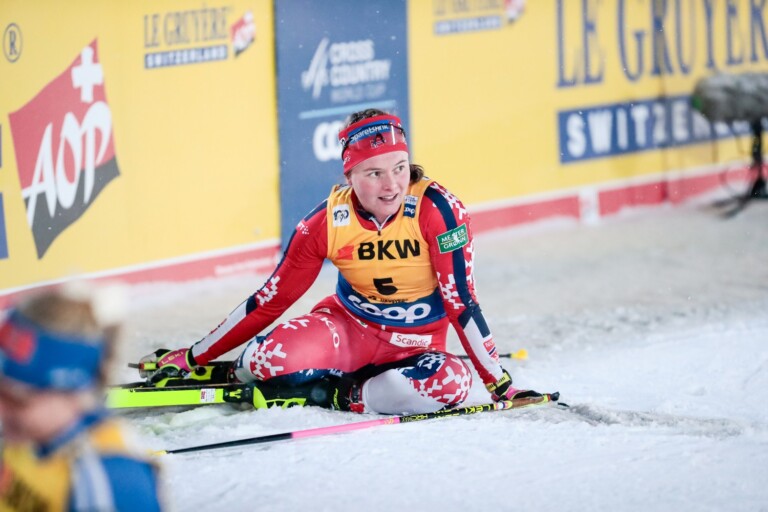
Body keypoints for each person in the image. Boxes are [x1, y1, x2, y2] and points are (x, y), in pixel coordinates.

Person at [142, 109, 542, 414]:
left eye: (399, 168)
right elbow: (271, 300)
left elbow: (461, 302)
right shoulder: (326, 222)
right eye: (374, 173)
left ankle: (340, 393)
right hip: (348, 332)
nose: (391, 185)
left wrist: (500, 385)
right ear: (350, 176)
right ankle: (240, 370)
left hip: (417, 348)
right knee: (268, 359)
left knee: (451, 386)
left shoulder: (439, 211)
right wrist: (194, 356)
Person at [0, 284, 164, 511]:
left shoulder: (110, 481)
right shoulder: (23, 436)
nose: (2, 409)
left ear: (74, 392)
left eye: (17, 401)